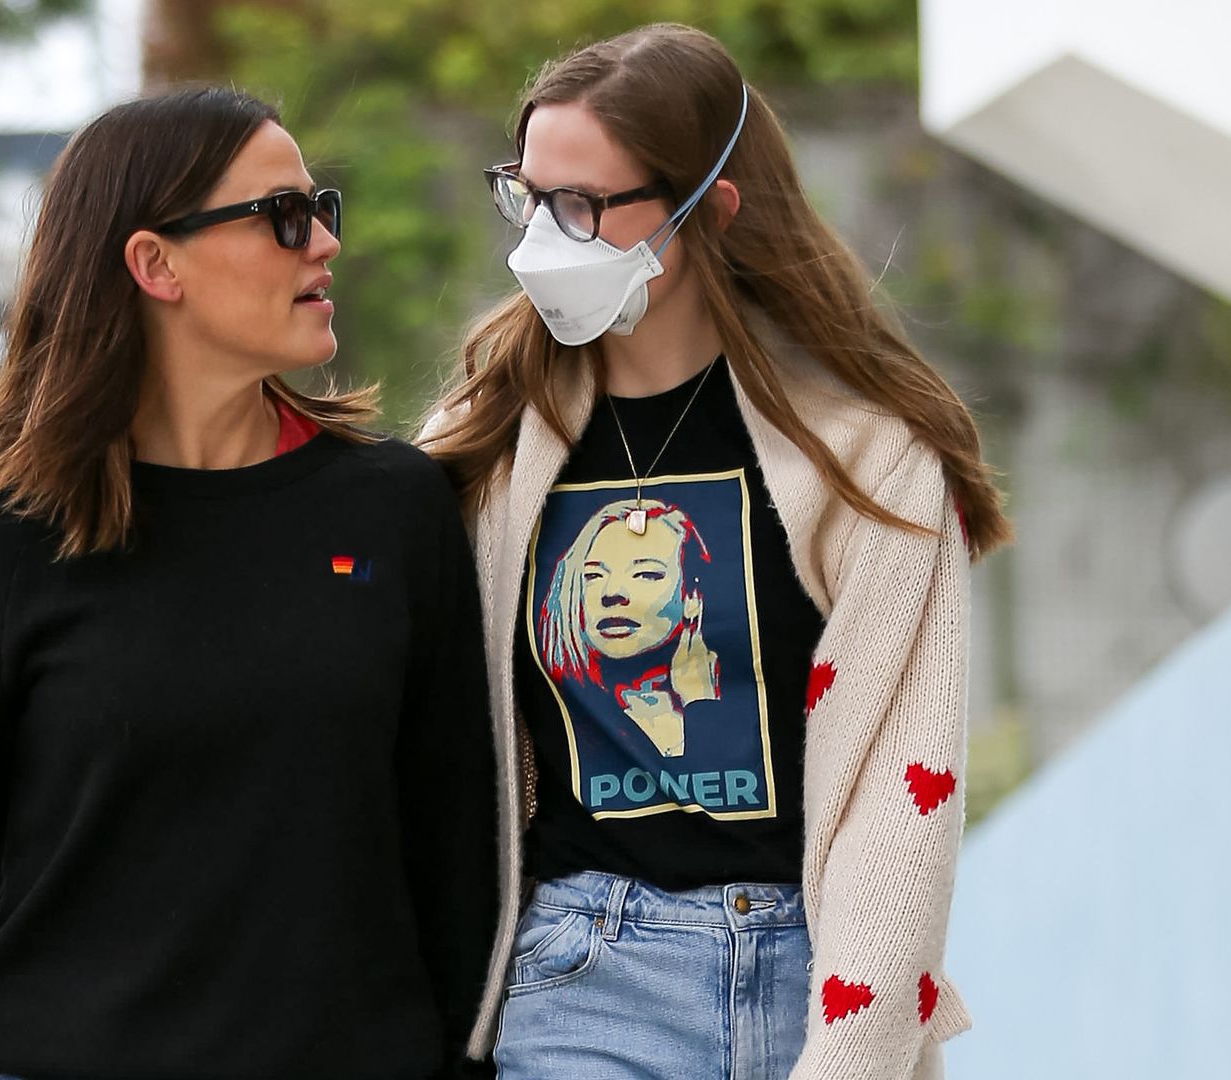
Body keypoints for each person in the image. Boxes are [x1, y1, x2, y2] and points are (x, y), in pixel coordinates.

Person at [0, 86, 498, 1080]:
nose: (324, 243)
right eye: (283, 216)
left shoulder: (395, 505)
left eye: (320, 208)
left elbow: (458, 846)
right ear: (155, 264)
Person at [420, 23, 1012, 1080]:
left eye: (581, 206)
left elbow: (902, 799)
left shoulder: (868, 461)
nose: (543, 240)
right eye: (528, 197)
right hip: (584, 974)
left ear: (712, 208)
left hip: (813, 976)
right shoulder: (487, 448)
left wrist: (854, 1056)